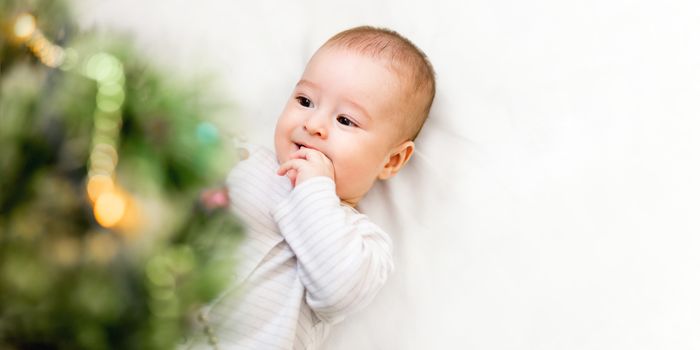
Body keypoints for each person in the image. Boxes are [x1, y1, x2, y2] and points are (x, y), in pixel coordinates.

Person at [190, 25, 436, 350]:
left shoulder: (361, 243)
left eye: (345, 120)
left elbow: (337, 292)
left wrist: (314, 189)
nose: (313, 124)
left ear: (391, 161)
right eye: (305, 101)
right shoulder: (243, 162)